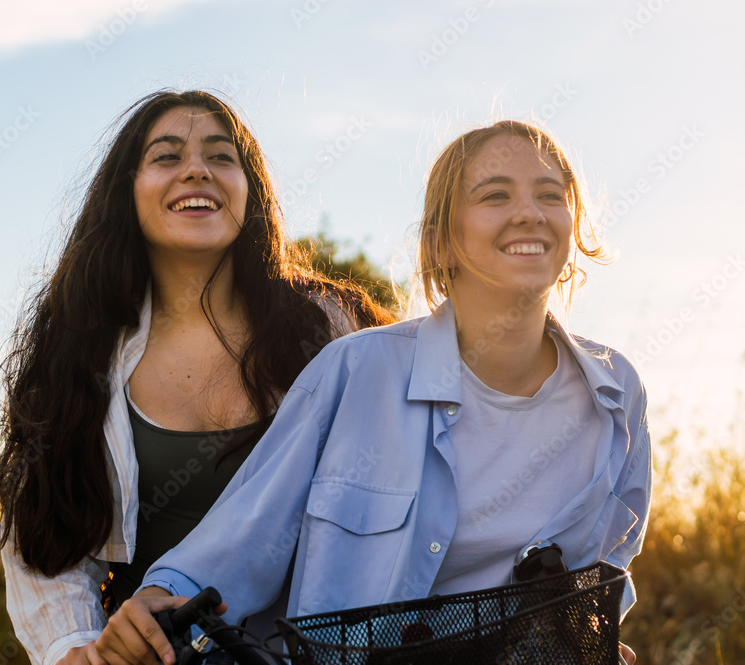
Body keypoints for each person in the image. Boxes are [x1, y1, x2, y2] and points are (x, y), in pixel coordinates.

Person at [95, 120, 652, 665]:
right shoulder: (355, 371)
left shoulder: (616, 396)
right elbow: (248, 531)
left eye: (549, 195)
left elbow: (608, 573)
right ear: (441, 239)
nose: (529, 213)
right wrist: (157, 598)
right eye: (495, 195)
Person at [0, 90, 395, 665]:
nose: (196, 169)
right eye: (167, 157)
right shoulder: (82, 350)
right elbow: (44, 533)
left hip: (318, 649)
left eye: (222, 157)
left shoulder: (328, 328)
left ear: (250, 192)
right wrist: (74, 648)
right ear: (129, 191)